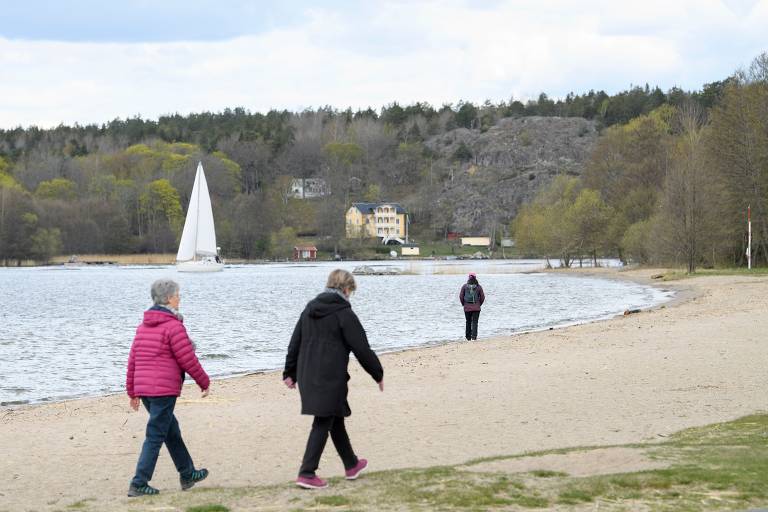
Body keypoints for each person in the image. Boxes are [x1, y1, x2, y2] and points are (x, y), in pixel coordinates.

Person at [283, 269, 384, 490]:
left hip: (307, 374)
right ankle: (307, 473)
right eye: (351, 292)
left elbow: (294, 342)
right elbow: (361, 348)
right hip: (330, 376)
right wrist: (378, 373)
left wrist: (290, 373)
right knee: (323, 420)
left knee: (334, 417)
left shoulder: (310, 308)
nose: (350, 296)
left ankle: (351, 464)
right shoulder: (344, 313)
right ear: (346, 289)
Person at [125, 279, 211, 497]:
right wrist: (204, 381)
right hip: (163, 391)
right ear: (169, 298)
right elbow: (187, 359)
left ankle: (187, 473)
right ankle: (139, 483)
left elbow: (133, 359)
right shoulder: (173, 326)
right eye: (178, 294)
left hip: (146, 391)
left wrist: (133, 391)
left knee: (171, 431)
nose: (180, 297)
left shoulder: (143, 326)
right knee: (155, 435)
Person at [459, 272, 485, 340]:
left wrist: (463, 304)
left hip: (467, 307)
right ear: (475, 278)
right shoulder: (479, 286)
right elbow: (482, 297)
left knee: (468, 322)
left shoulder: (464, 286)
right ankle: (474, 337)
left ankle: (468, 338)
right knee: (475, 322)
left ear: (468, 278)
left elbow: (461, 296)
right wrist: (479, 304)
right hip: (476, 308)